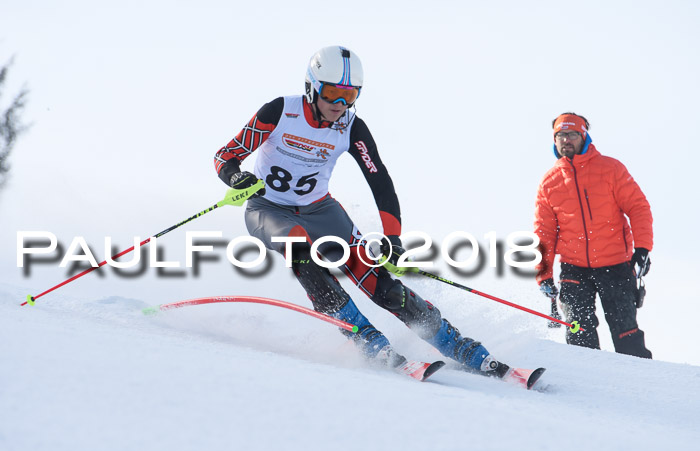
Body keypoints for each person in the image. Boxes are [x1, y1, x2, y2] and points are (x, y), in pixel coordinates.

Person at [213, 45, 515, 378]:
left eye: (349, 96)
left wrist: (393, 239)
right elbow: (226, 155)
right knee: (299, 247)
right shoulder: (280, 111)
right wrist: (236, 176)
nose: (339, 105)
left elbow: (380, 182)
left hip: (321, 209)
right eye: (332, 93)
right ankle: (366, 338)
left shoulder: (351, 127)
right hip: (268, 209)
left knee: (379, 282)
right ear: (312, 87)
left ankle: (458, 345)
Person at [534, 112, 653, 358]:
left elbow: (638, 207)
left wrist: (642, 249)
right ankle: (588, 390)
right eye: (561, 135)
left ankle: (641, 386)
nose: (566, 140)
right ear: (554, 140)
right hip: (574, 269)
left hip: (616, 265)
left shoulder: (610, 169)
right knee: (579, 333)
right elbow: (544, 233)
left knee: (626, 335)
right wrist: (543, 274)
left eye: (572, 134)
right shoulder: (549, 182)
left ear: (584, 136)